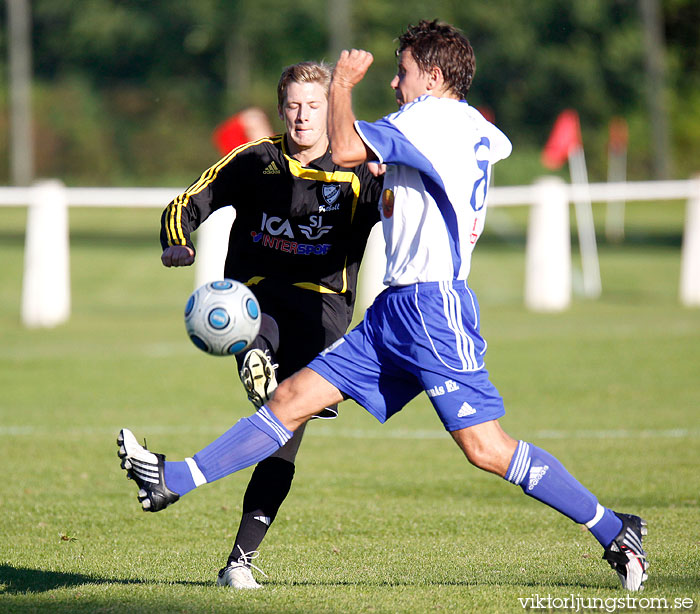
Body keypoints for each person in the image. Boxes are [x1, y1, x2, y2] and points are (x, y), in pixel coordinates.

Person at [120, 20, 649, 592]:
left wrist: (344, 84)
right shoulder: (466, 125)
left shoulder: (432, 119)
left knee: (486, 448)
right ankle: (170, 480)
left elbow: (345, 146)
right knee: (290, 398)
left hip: (430, 309)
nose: (395, 84)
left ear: (435, 75)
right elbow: (428, 161)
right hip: (394, 310)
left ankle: (614, 527)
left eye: (403, 72)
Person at [158, 61, 382, 588]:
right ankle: (255, 355)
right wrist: (178, 240)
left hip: (323, 308)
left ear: (332, 109)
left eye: (314, 106)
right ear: (280, 108)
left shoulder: (361, 169)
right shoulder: (253, 160)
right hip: (252, 300)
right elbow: (188, 201)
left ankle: (238, 562)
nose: (302, 117)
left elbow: (405, 211)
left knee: (283, 436)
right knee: (262, 343)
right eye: (293, 105)